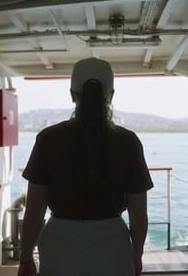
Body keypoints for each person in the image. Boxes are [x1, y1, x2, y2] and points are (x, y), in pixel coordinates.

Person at [17, 57, 154, 276]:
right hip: (112, 248)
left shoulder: (49, 139)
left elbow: (35, 207)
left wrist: (25, 259)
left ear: (72, 94)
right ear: (111, 95)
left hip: (60, 246)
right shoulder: (128, 141)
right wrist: (136, 255)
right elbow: (139, 214)